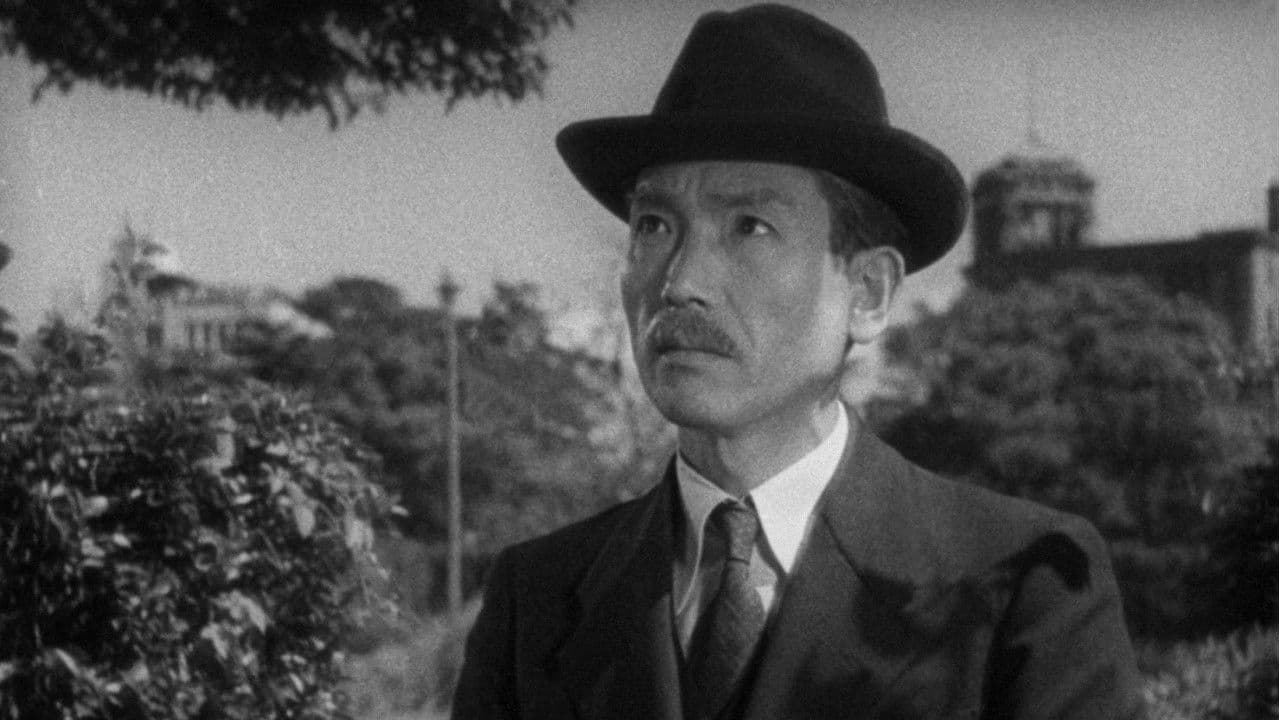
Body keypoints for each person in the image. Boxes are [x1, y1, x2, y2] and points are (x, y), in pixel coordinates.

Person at [452, 5, 1145, 719]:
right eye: (654, 225)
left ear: (868, 293)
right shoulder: (536, 598)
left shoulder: (1020, 585)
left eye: (749, 227)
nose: (679, 281)